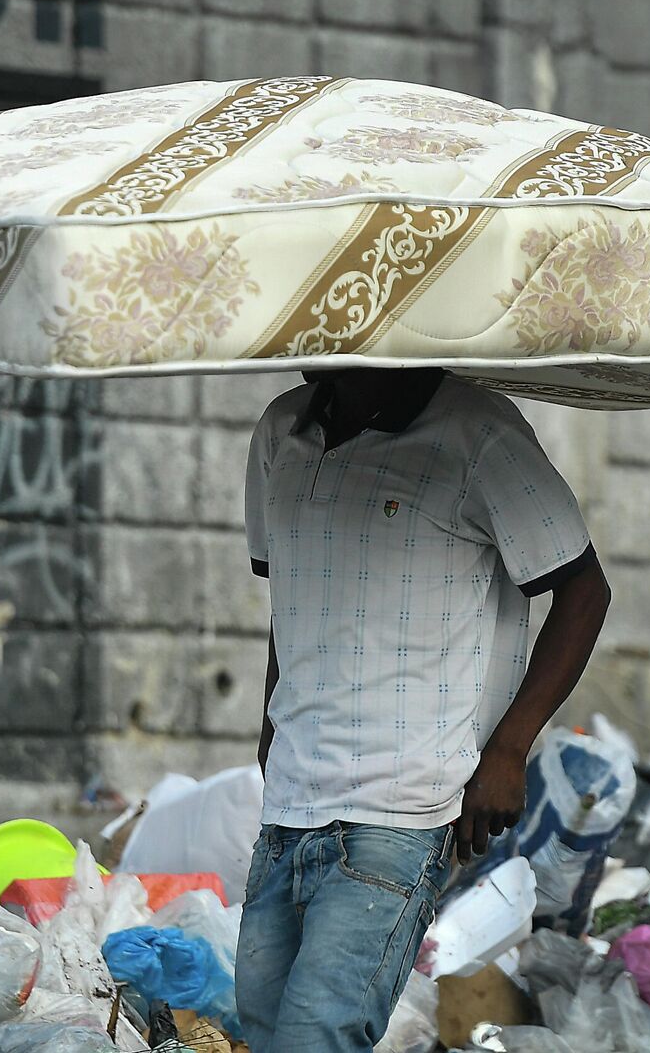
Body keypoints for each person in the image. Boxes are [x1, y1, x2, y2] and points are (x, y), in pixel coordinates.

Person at [234, 367, 611, 1052]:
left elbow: (584, 592)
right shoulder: (279, 431)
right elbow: (285, 601)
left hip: (400, 812)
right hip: (289, 804)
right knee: (262, 1030)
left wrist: (507, 749)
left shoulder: (478, 434)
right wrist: (269, 733)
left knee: (314, 1036)